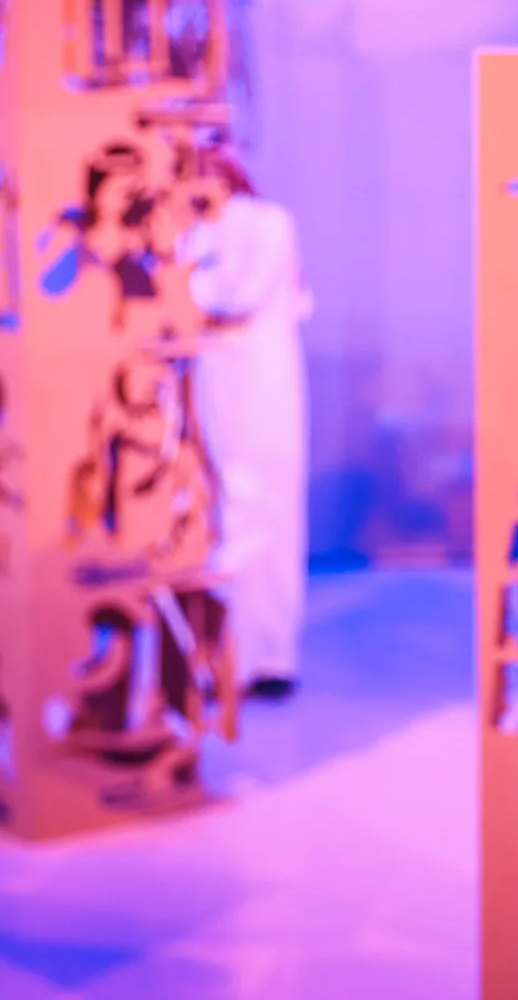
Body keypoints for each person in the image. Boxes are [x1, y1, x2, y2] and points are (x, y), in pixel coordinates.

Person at [184, 152, 310, 701]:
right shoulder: (189, 232)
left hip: (263, 377)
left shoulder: (268, 222)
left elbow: (237, 295)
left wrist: (195, 285)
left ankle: (271, 654)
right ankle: (227, 657)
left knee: (270, 510)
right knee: (221, 509)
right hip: (215, 376)